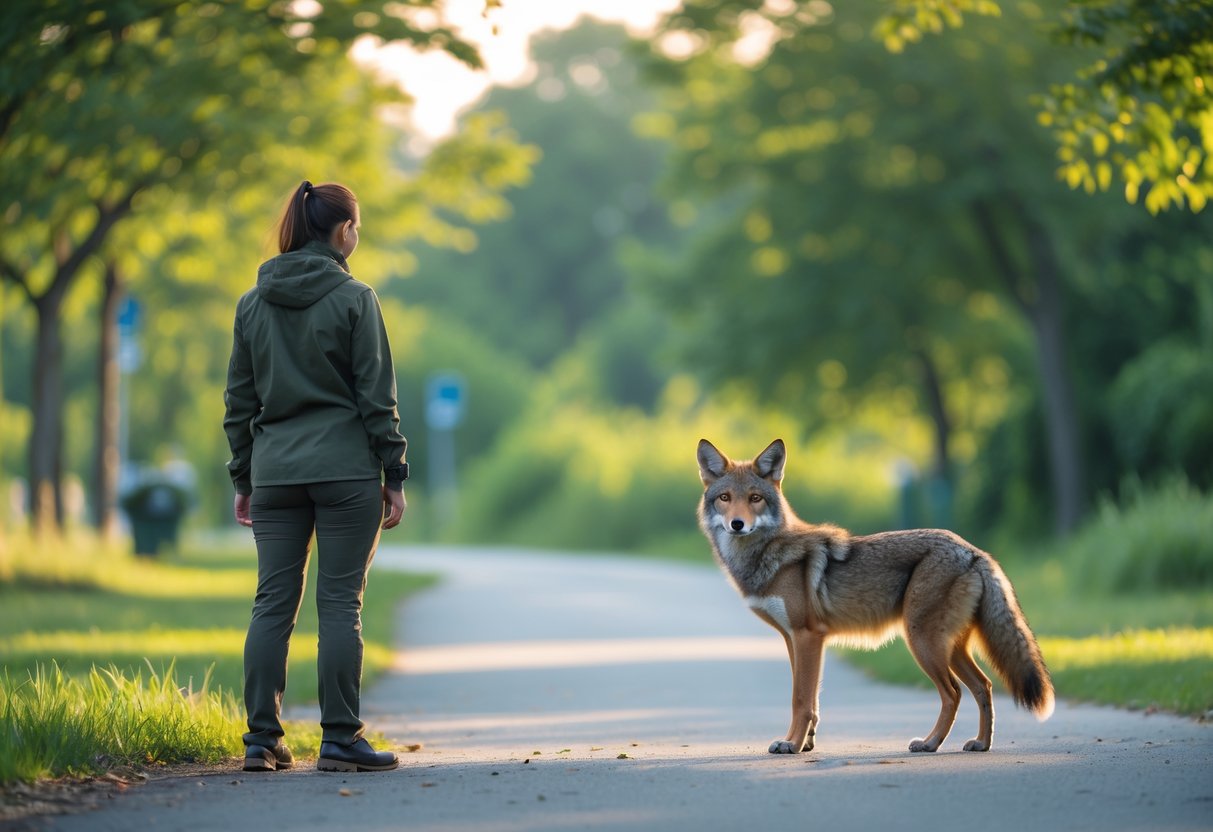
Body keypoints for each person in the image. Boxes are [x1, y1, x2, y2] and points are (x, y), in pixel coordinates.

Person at [223, 180, 408, 773]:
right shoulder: (356, 298)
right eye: (357, 226)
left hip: (275, 472)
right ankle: (338, 739)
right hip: (346, 471)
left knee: (271, 603)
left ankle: (260, 740)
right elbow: (378, 398)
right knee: (339, 603)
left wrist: (244, 477)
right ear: (342, 231)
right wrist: (395, 471)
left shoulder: (253, 303)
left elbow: (238, 402)